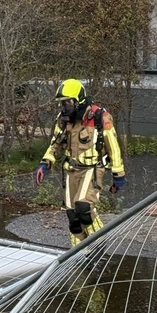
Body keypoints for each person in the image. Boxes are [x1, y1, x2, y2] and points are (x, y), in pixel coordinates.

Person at [35, 79, 126, 246]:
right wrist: (45, 163)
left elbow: (114, 147)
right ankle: (82, 252)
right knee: (73, 219)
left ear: (78, 100)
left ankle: (99, 246)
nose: (65, 107)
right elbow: (55, 144)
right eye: (62, 103)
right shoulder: (64, 120)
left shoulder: (100, 117)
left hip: (92, 170)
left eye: (68, 102)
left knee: (84, 209)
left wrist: (118, 175)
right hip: (71, 170)